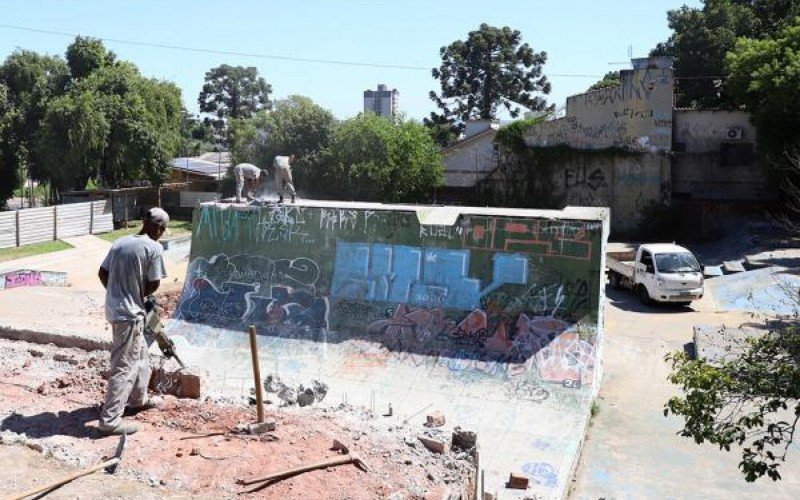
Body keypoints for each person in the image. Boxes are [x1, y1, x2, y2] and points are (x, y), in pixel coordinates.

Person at [97, 208, 169, 435]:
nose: (161, 234)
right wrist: (137, 296)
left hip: (117, 309)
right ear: (159, 228)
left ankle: (138, 399)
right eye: (162, 230)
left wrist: (119, 293)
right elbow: (154, 283)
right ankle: (110, 421)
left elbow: (102, 273)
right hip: (130, 314)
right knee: (123, 366)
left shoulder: (119, 242)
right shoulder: (154, 248)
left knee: (141, 357)